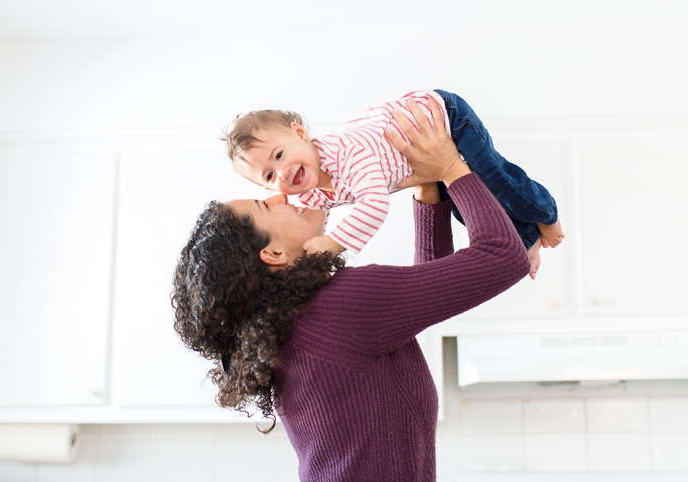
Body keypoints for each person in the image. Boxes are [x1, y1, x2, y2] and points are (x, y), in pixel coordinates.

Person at [171, 97, 530, 481]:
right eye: (265, 202)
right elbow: (504, 257)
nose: (279, 194)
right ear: (273, 253)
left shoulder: (303, 323)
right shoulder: (337, 307)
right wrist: (451, 168)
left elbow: (429, 293)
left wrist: (430, 188)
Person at [223, 89, 563, 279]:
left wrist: (335, 243)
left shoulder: (346, 154)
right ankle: (526, 239)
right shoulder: (310, 192)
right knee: (466, 210)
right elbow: (312, 224)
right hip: (424, 162)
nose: (281, 173)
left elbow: (374, 204)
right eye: (269, 176)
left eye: (280, 155)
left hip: (443, 119)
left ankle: (546, 211)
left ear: (301, 134)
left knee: (496, 181)